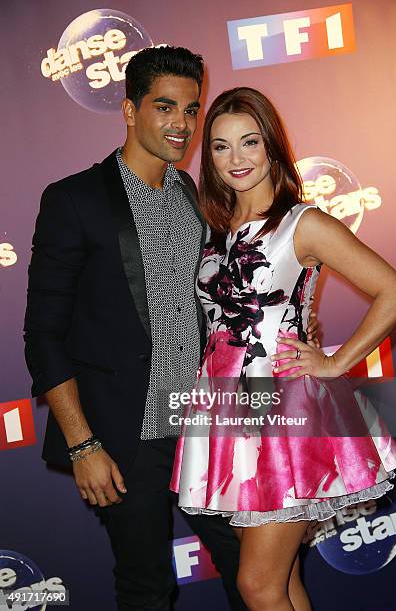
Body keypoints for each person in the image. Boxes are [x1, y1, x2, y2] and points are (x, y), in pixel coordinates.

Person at [23, 46, 320, 611]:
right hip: (122, 437)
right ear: (130, 111)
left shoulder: (195, 196)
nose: (182, 125)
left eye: (191, 109)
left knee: (251, 575)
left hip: (205, 428)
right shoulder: (74, 200)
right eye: (165, 108)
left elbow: (238, 294)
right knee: (147, 588)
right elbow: (42, 334)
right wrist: (83, 443)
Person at [170, 86, 396, 611]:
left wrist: (335, 361)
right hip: (230, 411)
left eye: (249, 142)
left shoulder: (304, 224)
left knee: (256, 584)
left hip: (285, 411)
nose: (236, 159)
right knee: (281, 580)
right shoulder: (214, 231)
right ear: (206, 155)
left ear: (272, 145)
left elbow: (395, 293)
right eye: (220, 146)